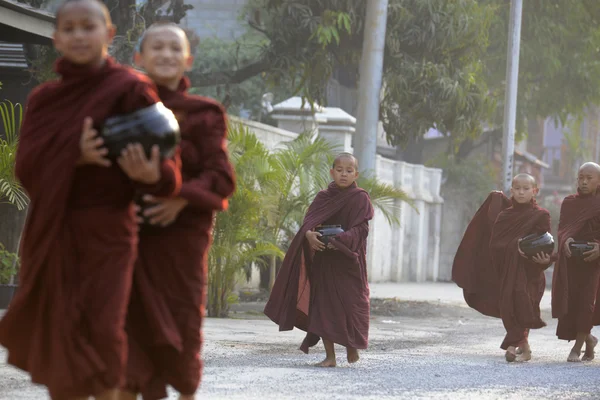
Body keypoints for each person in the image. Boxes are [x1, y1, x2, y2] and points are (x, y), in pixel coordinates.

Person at [0, 1, 181, 399]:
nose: (80, 35)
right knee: (60, 333)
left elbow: (169, 170)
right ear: (57, 38)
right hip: (53, 234)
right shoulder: (45, 99)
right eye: (70, 28)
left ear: (109, 34)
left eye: (89, 27)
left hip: (108, 233)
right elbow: (25, 168)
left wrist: (151, 175)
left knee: (104, 330)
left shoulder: (130, 88)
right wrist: (73, 153)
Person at [119, 23, 235, 400]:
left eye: (175, 48)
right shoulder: (118, 107)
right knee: (125, 337)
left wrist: (179, 195)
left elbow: (220, 178)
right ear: (138, 57)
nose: (166, 54)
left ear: (188, 60)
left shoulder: (205, 113)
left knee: (182, 331)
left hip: (181, 245)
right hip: (128, 237)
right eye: (157, 47)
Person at [264, 153, 374, 367]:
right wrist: (309, 235)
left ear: (356, 174)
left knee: (350, 304)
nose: (344, 174)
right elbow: (309, 223)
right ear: (332, 172)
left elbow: (361, 229)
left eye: (349, 171)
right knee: (323, 307)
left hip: (348, 262)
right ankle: (330, 357)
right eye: (339, 170)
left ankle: (351, 346)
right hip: (325, 260)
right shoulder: (323, 197)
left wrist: (340, 240)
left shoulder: (360, 198)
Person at [453, 174, 553, 362]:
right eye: (517, 188)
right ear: (511, 191)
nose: (521, 192)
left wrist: (542, 260)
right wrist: (516, 247)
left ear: (535, 191)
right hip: (508, 272)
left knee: (524, 305)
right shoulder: (505, 216)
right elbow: (495, 244)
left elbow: (546, 244)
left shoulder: (541, 215)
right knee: (509, 307)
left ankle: (514, 345)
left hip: (531, 272)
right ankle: (523, 347)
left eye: (526, 188)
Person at [552, 162, 600, 362]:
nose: (584, 181)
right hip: (572, 261)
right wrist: (565, 239)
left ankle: (577, 348)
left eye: (589, 178)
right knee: (571, 303)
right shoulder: (569, 202)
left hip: (594, 263)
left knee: (586, 303)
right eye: (581, 177)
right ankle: (589, 340)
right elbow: (563, 228)